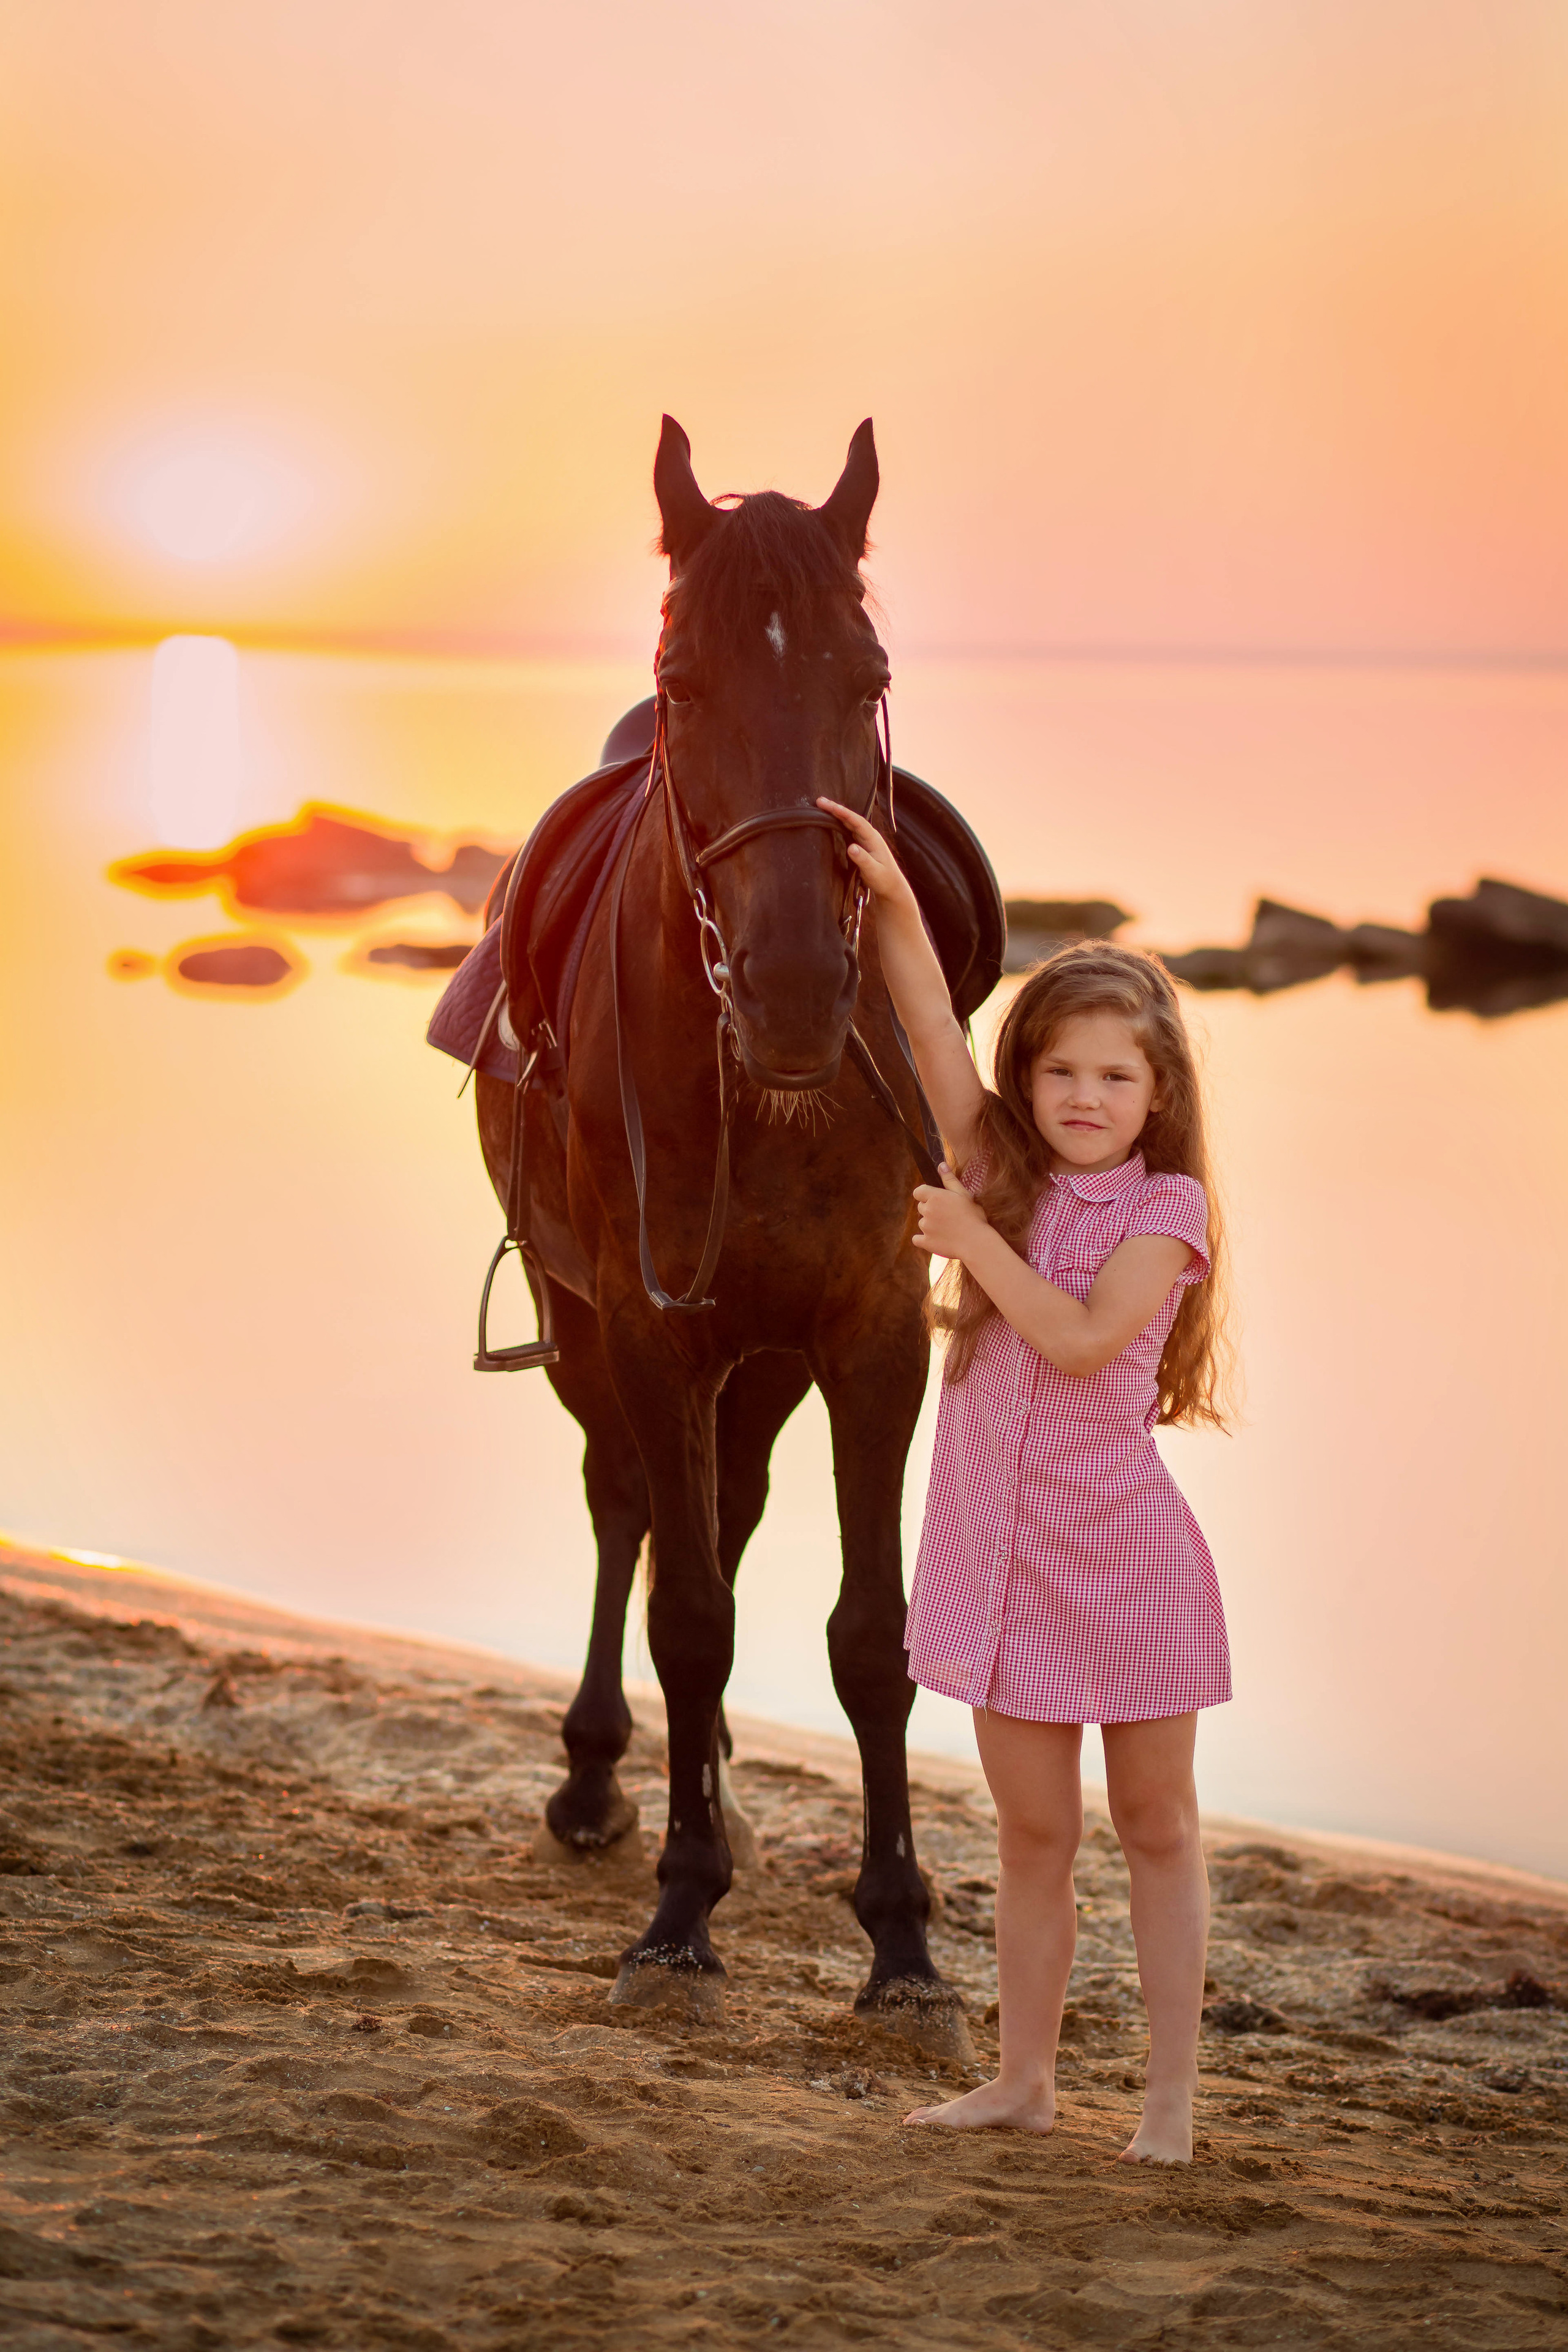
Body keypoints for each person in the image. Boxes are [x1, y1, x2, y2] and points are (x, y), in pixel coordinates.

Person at [820, 796, 1234, 2165]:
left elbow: (1071, 1339)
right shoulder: (1001, 1167)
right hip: (994, 1562)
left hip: (1120, 1562)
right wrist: (886, 897)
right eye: (1058, 1073)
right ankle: (1025, 2078)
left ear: (1155, 1097)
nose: (1082, 1099)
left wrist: (961, 1242)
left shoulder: (1160, 1216)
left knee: (1154, 1827)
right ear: (1030, 1081)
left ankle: (1167, 2096)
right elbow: (932, 1035)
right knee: (1033, 1833)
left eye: (1113, 1078)